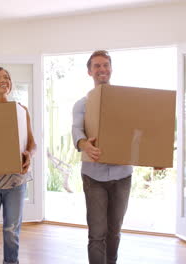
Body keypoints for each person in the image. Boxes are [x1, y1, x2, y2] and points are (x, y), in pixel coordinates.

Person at [71, 50, 133, 264]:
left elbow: (139, 132)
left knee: (114, 231)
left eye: (105, 65)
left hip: (122, 174)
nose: (102, 69)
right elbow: (77, 131)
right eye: (96, 66)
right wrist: (85, 144)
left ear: (111, 69)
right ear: (90, 72)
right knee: (97, 233)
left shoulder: (127, 102)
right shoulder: (82, 104)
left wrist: (155, 158)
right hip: (93, 176)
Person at [0, 66, 36, 264]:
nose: (3, 80)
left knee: (12, 234)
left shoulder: (21, 110)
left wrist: (29, 154)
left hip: (15, 182)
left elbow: (32, 143)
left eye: (7, 77)